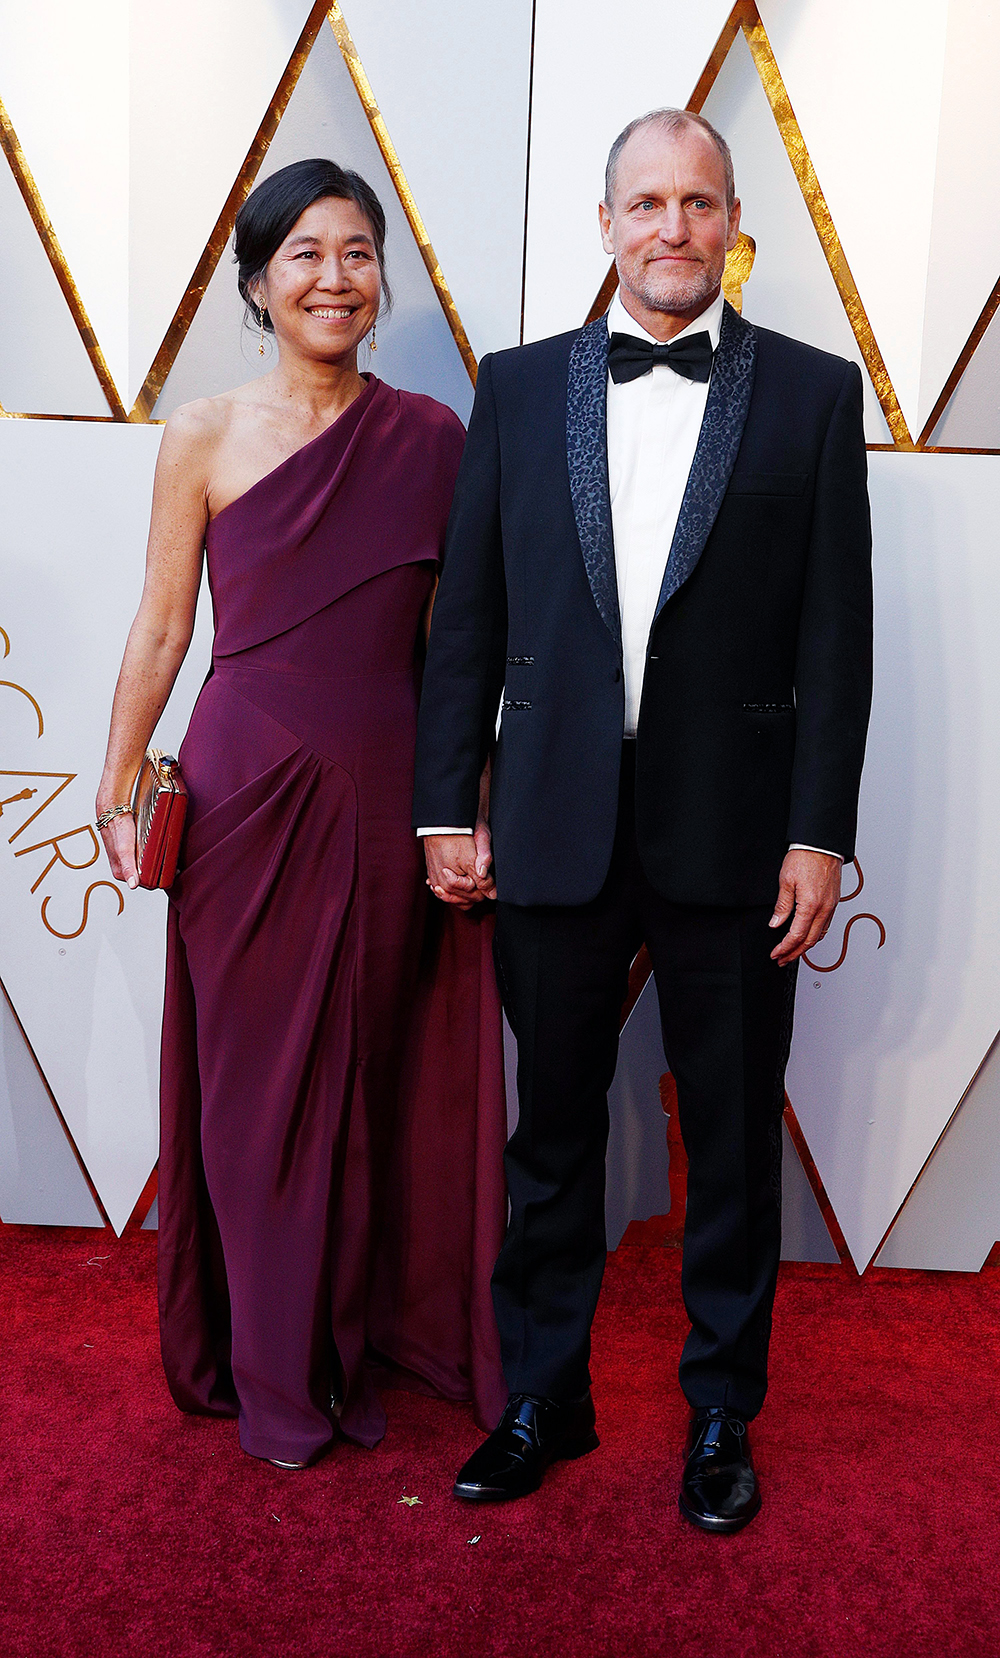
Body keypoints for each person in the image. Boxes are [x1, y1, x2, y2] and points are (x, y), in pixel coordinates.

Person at [414, 109, 872, 1531]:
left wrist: (820, 830)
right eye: (648, 203)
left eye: (700, 203)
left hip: (736, 834)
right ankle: (544, 1395)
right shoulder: (519, 383)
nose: (674, 228)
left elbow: (835, 636)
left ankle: (723, 1411)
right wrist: (444, 805)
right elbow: (467, 622)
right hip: (548, 820)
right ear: (604, 224)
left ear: (737, 223)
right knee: (546, 1137)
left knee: (729, 1141)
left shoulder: (810, 392)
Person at [96, 157, 507, 1469]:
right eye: (305, 254)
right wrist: (116, 783)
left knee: (367, 1077)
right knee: (257, 1088)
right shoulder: (204, 432)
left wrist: (467, 804)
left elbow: (458, 652)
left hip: (391, 790)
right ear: (258, 283)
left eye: (357, 252)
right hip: (242, 791)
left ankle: (349, 1340)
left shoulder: (436, 436)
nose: (335, 276)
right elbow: (165, 623)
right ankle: (277, 1374)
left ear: (380, 279)